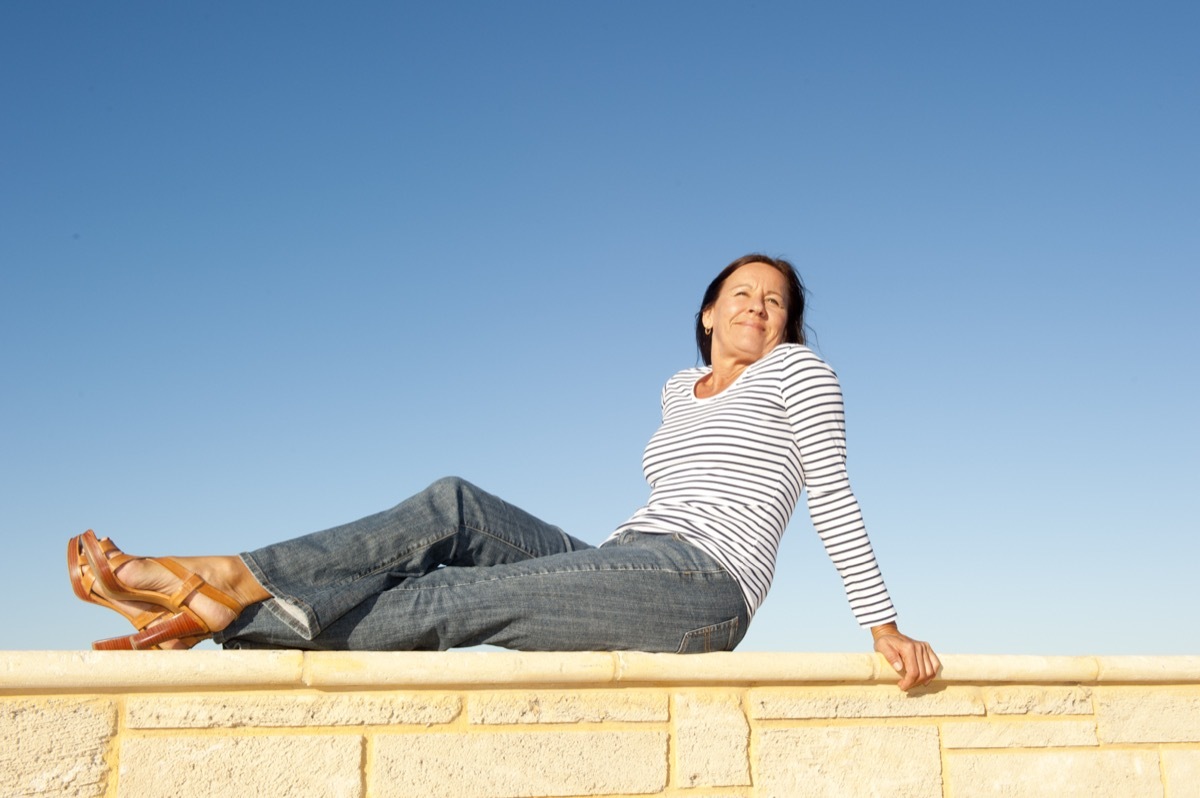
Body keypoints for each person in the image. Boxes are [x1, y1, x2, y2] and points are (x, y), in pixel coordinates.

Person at [67, 254, 940, 690]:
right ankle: (236, 580)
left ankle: (234, 609)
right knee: (456, 506)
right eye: (742, 293)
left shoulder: (800, 374)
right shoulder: (679, 389)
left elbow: (831, 489)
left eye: (776, 301)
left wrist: (882, 624)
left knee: (455, 599)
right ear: (709, 312)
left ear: (787, 326)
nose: (758, 306)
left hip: (702, 585)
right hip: (635, 554)